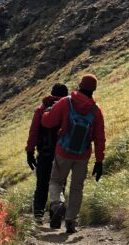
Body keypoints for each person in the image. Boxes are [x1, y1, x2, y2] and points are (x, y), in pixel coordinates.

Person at [40, 73, 105, 234]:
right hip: (83, 155)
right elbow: (100, 138)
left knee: (55, 181)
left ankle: (57, 203)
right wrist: (99, 161)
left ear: (79, 85)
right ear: (94, 89)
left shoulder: (66, 102)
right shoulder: (96, 111)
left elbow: (48, 122)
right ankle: (70, 221)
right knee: (77, 188)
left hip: (63, 151)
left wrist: (45, 112)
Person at [25, 82, 68, 222]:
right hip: (63, 154)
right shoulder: (68, 109)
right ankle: (56, 210)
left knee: (42, 184)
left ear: (51, 93)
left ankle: (38, 215)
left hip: (45, 153)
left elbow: (34, 132)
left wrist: (30, 152)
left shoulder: (41, 109)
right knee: (60, 183)